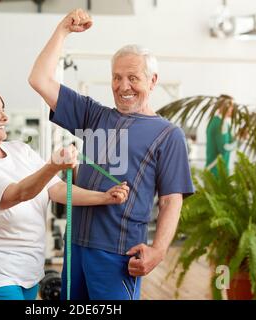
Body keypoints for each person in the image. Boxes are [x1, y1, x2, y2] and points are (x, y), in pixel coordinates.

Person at [28, 8, 194, 300]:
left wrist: (159, 250)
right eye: (117, 78)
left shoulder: (169, 135)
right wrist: (63, 30)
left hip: (118, 254)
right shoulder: (92, 115)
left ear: (152, 81)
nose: (123, 86)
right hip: (75, 247)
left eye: (133, 78)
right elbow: (40, 79)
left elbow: (171, 200)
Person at [0, 81, 129, 300]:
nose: (5, 117)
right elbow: (18, 194)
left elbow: (57, 189)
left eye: (3, 109)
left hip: (29, 271)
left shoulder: (20, 150)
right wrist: (53, 165)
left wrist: (105, 197)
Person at [205, 94, 237, 177]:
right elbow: (224, 148)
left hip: (221, 172)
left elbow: (230, 143)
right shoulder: (219, 123)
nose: (232, 109)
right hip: (215, 172)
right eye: (230, 106)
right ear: (222, 106)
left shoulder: (224, 123)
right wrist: (239, 141)